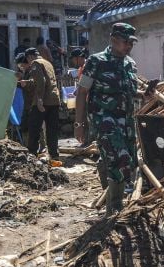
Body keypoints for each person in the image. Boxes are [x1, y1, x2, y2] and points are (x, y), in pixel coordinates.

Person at [74, 23, 140, 216]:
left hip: (126, 121)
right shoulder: (96, 61)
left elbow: (131, 93)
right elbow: (82, 92)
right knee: (120, 159)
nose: (129, 46)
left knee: (128, 161)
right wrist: (79, 124)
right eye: (125, 42)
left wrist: (147, 94)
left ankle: (104, 165)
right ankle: (115, 206)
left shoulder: (130, 64)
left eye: (131, 43)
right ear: (113, 40)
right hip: (105, 120)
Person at [17, 48, 60, 160]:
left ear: (30, 57)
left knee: (34, 127)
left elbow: (41, 82)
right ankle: (54, 155)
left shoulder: (35, 63)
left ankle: (32, 154)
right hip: (54, 100)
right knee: (52, 130)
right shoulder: (48, 63)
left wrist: (40, 99)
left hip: (43, 101)